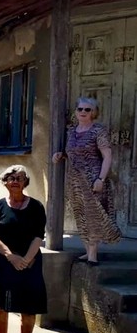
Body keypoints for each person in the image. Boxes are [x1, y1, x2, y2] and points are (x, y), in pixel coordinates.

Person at [0, 165, 48, 333]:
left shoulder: (37, 206)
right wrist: (10, 256)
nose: (14, 180)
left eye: (19, 178)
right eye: (10, 177)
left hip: (29, 263)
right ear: (5, 182)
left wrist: (26, 260)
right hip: (3, 263)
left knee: (28, 308)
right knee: (1, 306)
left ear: (25, 182)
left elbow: (39, 235)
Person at [52, 97, 121, 265]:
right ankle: (87, 249)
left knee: (94, 215)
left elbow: (107, 156)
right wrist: (62, 155)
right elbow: (74, 153)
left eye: (87, 110)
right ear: (76, 112)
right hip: (75, 181)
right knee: (81, 215)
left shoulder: (98, 131)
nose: (83, 112)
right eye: (80, 109)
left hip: (92, 179)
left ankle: (93, 254)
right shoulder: (71, 131)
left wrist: (100, 179)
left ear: (94, 113)